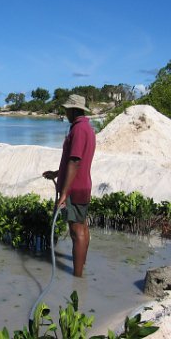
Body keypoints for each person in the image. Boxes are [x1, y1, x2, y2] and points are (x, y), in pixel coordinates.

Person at [43, 94, 96, 277]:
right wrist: (57, 174)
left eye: (66, 110)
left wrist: (64, 193)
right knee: (82, 226)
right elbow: (73, 161)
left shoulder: (79, 129)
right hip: (82, 185)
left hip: (75, 188)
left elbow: (75, 161)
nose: (65, 113)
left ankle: (78, 277)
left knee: (76, 231)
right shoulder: (85, 127)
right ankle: (81, 266)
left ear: (73, 110)